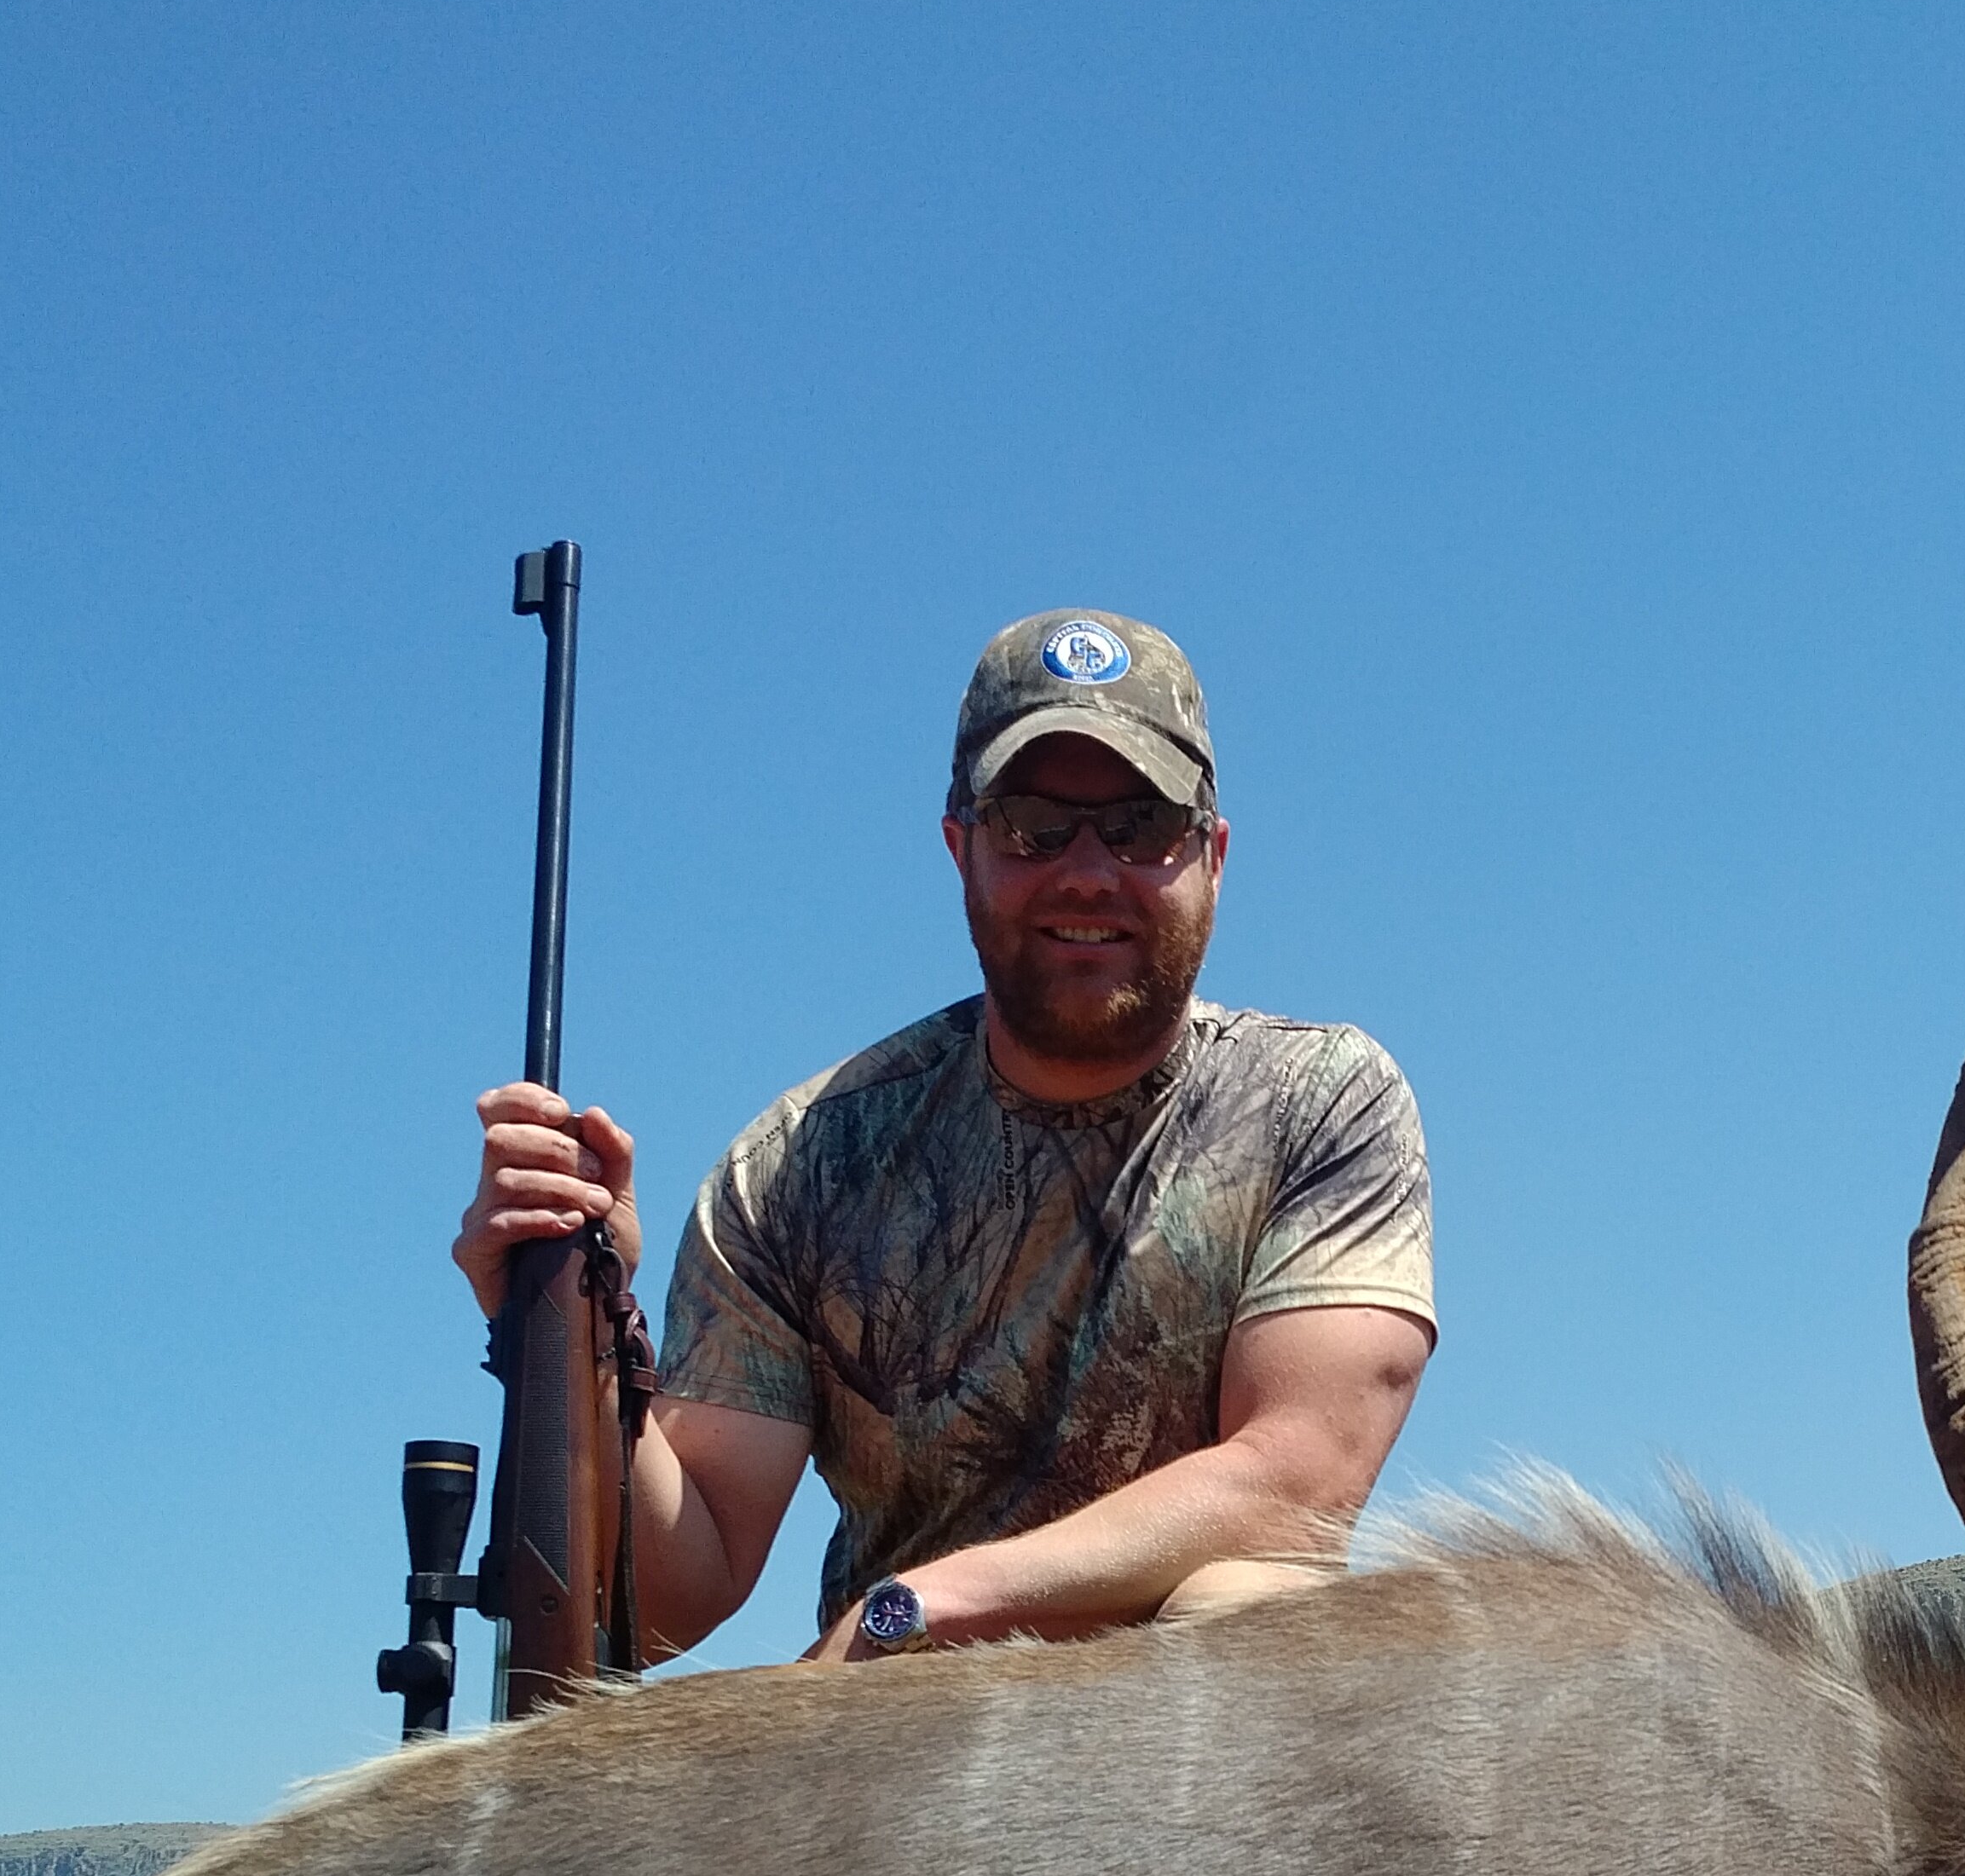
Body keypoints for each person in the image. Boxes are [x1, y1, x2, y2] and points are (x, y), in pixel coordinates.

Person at [452, 609, 1436, 1661]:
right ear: (961, 847)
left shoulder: (1321, 1099)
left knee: (1244, 1610)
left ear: (1213, 854)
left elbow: (1298, 1482)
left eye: (1142, 824)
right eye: (1031, 825)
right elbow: (669, 1603)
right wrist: (582, 1334)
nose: (1089, 872)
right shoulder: (793, 1167)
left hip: (1181, 1759)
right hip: (891, 1755)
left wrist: (918, 1607)